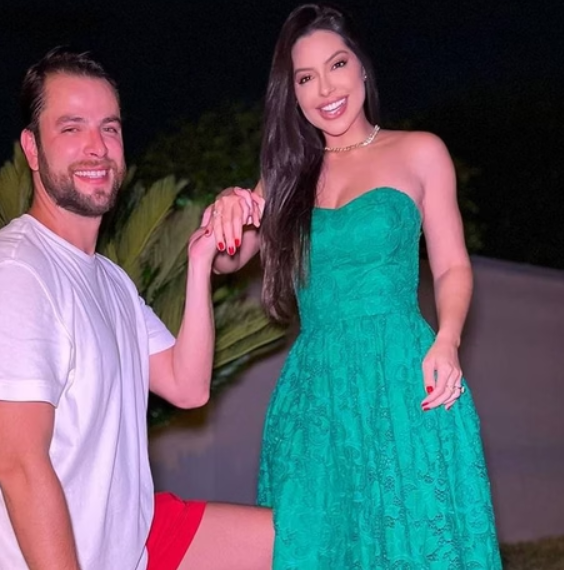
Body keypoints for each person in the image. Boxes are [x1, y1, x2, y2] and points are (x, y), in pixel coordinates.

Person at [202, 4, 502, 568]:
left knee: (415, 540)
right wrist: (228, 207)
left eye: (337, 65)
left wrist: (448, 339)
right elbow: (227, 259)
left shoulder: (421, 151)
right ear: (292, 94)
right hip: (316, 393)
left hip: (404, 374)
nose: (326, 89)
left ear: (362, 65)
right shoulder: (286, 175)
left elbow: (451, 267)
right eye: (306, 78)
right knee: (316, 542)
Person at [0, 48, 273, 570]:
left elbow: (187, 385)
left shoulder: (110, 281)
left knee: (302, 542)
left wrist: (199, 262)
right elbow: (18, 467)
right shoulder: (15, 272)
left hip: (130, 546)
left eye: (110, 128)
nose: (96, 147)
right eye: (71, 128)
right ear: (32, 148)